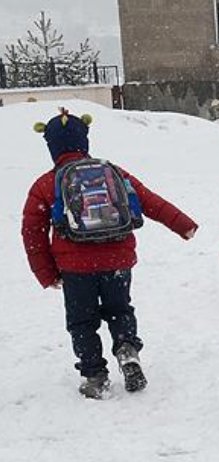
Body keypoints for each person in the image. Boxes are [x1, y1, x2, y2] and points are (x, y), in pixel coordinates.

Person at [22, 108, 198, 399]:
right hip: (117, 259)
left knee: (82, 320)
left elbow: (32, 234)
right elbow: (148, 199)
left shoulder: (46, 183)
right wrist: (183, 224)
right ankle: (127, 349)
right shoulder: (111, 171)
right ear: (84, 142)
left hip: (75, 267)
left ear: (52, 147)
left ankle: (94, 374)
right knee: (120, 309)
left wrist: (46, 274)